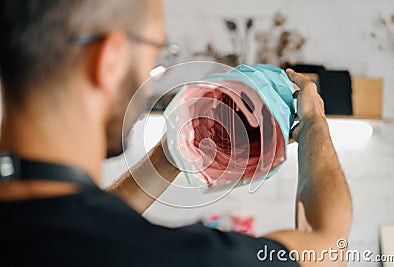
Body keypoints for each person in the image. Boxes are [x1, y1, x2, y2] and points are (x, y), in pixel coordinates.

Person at [0, 0, 352, 266]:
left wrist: (174, 151)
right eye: (157, 58)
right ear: (109, 60)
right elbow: (331, 246)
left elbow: (78, 219)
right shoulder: (169, 257)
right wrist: (314, 124)